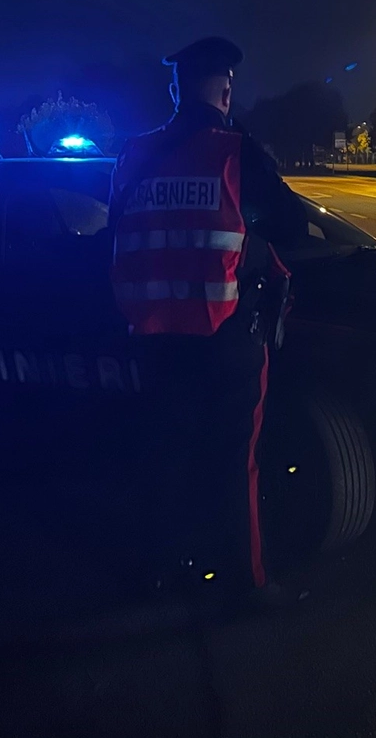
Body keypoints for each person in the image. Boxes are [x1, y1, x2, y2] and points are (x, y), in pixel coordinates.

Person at [108, 36, 308, 599]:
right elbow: (292, 227)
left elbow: (119, 233)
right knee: (232, 462)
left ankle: (159, 572)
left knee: (162, 454)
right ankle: (244, 584)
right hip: (223, 336)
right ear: (225, 91)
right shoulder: (233, 152)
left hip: (150, 335)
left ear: (174, 90)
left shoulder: (132, 154)